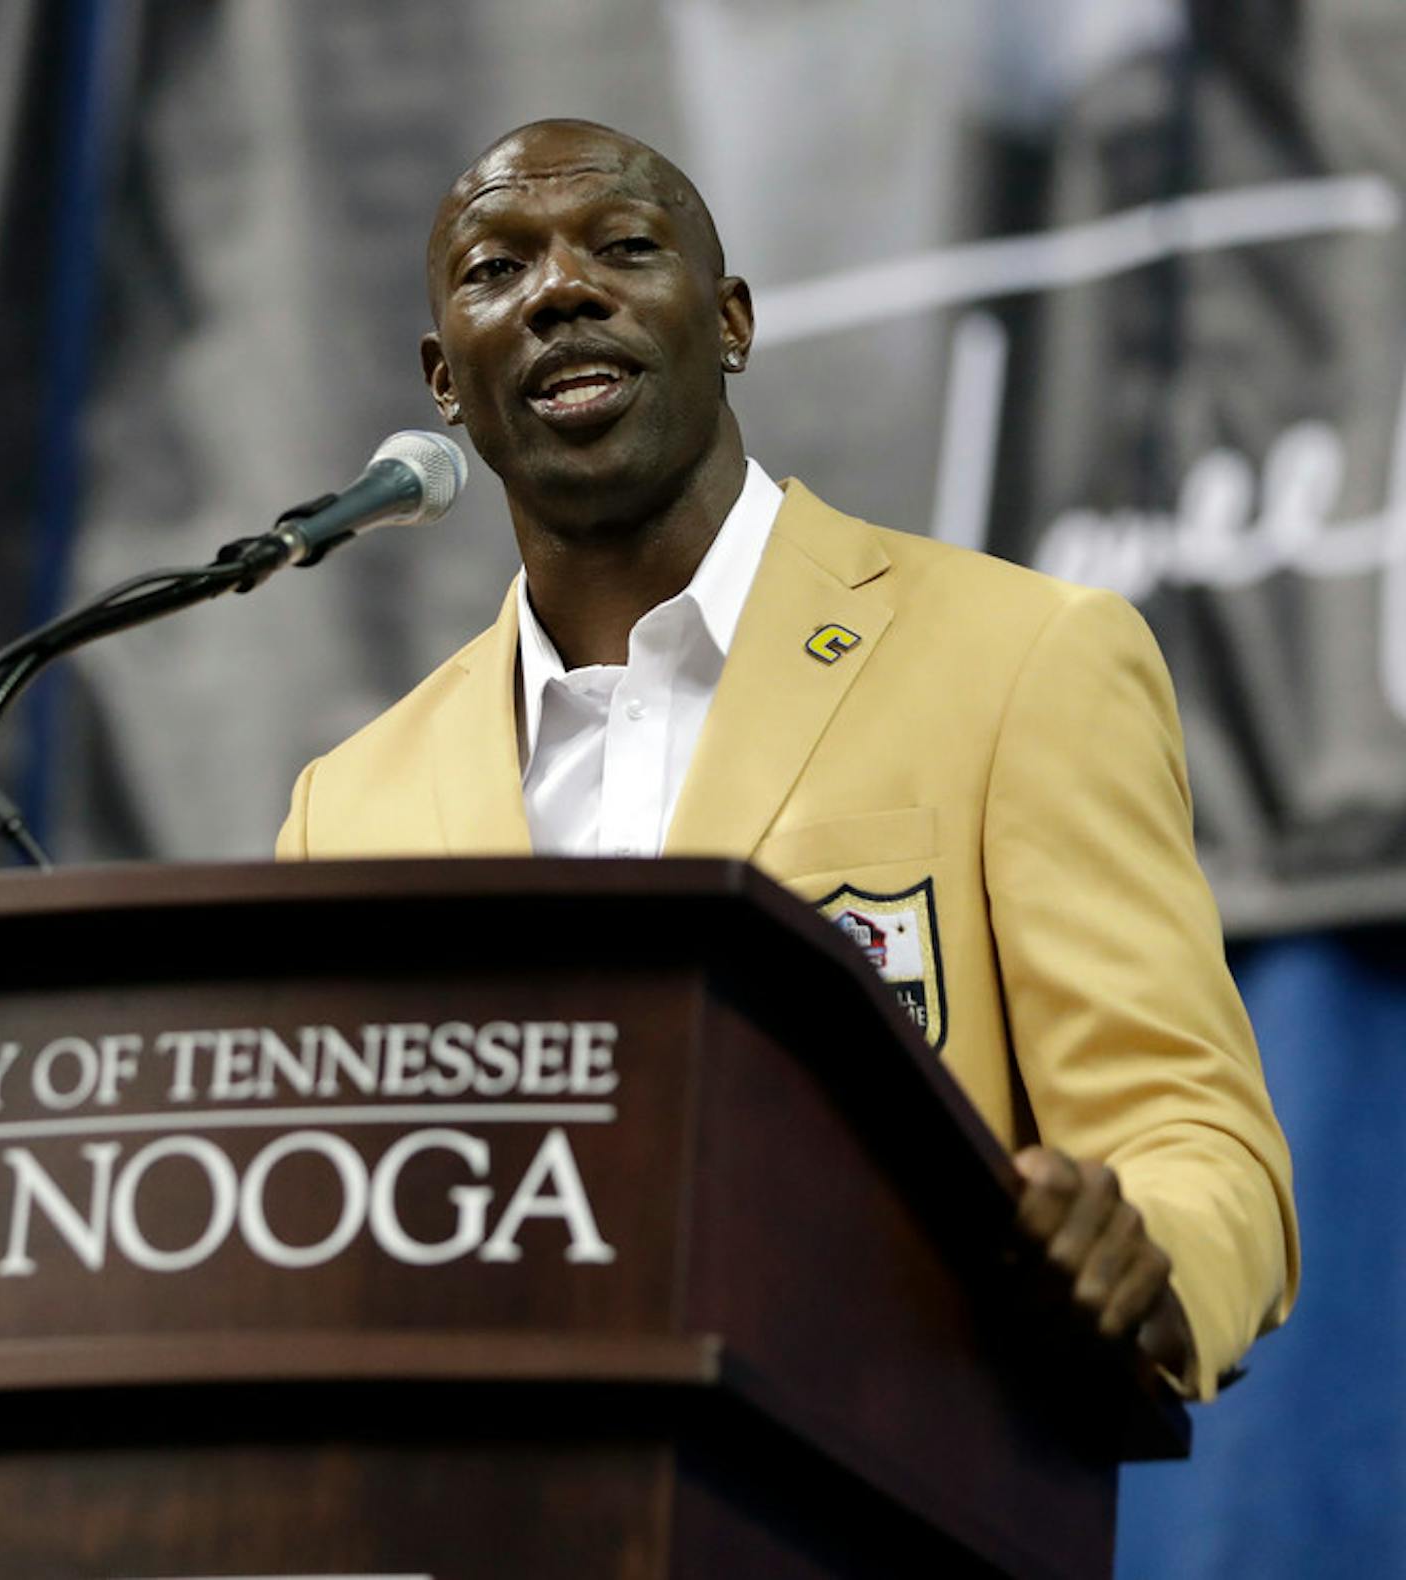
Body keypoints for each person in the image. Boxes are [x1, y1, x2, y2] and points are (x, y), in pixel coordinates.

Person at [275, 119, 1297, 1398]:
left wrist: (1140, 1248)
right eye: (497, 269)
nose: (561, 291)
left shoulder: (1024, 658)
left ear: (733, 321)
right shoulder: (351, 805)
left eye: (625, 247)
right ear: (443, 380)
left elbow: (1191, 1131)